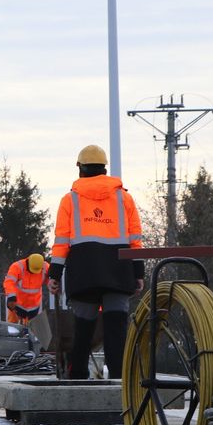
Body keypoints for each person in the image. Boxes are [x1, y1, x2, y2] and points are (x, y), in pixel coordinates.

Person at [47, 144, 144, 379]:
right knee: (116, 330)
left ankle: (78, 377)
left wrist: (54, 274)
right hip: (119, 271)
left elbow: (61, 241)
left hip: (84, 273)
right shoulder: (125, 198)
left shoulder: (69, 200)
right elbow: (135, 238)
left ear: (80, 168)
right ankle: (121, 383)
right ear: (104, 169)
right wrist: (137, 272)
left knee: (83, 330)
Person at [3, 253, 48, 324]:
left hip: (33, 306)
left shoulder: (45, 267)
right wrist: (11, 296)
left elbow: (51, 280)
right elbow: (9, 282)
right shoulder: (17, 267)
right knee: (12, 326)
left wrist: (55, 285)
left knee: (31, 329)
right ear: (28, 262)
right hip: (16, 303)